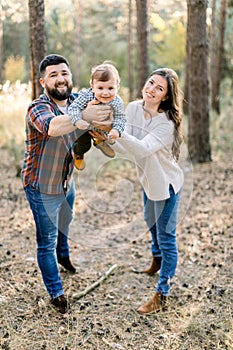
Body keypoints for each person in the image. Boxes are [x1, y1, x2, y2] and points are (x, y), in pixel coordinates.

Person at [21, 54, 112, 314]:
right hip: (41, 186)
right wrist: (85, 115)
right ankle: (56, 292)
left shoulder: (76, 102)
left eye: (64, 73)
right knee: (45, 240)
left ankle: (64, 254)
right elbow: (53, 127)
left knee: (66, 220)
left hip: (65, 181)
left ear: (71, 77)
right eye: (53, 75)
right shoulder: (37, 108)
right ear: (42, 82)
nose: (60, 79)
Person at [110, 68, 184, 314]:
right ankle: (157, 258)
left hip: (167, 185)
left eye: (159, 88)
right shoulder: (131, 109)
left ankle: (162, 294)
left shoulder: (167, 124)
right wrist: (107, 140)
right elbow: (126, 150)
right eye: (151, 83)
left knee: (166, 237)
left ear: (165, 96)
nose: (151, 89)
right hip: (147, 181)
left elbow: (141, 149)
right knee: (149, 222)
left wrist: (117, 133)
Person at [68, 62, 126, 170]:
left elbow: (120, 117)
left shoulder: (117, 101)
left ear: (117, 87)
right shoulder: (87, 95)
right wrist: (77, 120)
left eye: (110, 88)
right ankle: (78, 153)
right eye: (100, 88)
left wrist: (117, 130)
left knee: (110, 136)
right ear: (92, 87)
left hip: (102, 127)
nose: (105, 93)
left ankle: (100, 141)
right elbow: (73, 108)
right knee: (84, 145)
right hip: (85, 127)